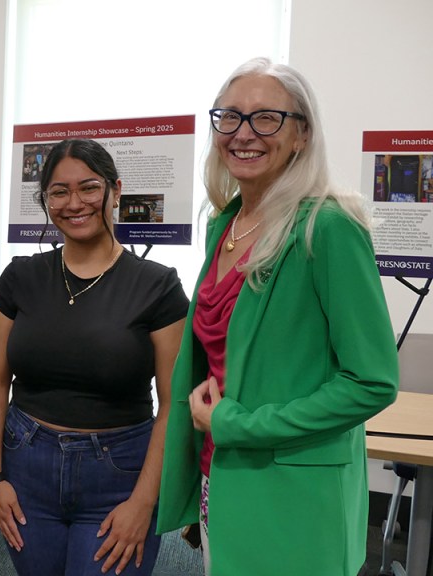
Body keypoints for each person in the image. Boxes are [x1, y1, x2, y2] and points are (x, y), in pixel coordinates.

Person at [157, 57, 399, 575]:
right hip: (222, 472)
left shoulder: (327, 227)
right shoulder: (224, 223)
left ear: (301, 135)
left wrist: (236, 424)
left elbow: (372, 382)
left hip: (295, 493)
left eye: (266, 118)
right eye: (230, 116)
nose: (243, 133)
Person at [0, 139, 189, 575]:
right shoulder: (19, 278)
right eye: (59, 192)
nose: (74, 203)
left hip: (119, 475)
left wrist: (144, 502)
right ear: (46, 200)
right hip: (27, 465)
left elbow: (174, 404)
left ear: (115, 190)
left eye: (89, 188)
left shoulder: (158, 286)